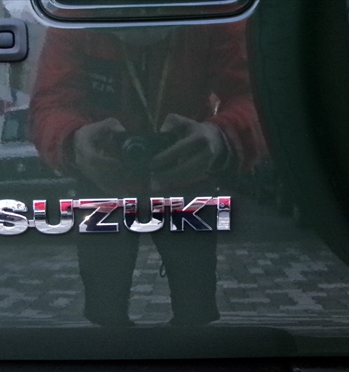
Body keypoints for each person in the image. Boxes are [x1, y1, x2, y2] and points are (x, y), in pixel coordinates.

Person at [30, 21, 267, 327]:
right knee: (127, 308)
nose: (142, 14)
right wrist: (219, 138)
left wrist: (72, 141)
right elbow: (261, 99)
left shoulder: (74, 16)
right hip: (164, 171)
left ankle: (122, 349)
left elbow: (49, 105)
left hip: (119, 174)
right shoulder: (215, 11)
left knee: (180, 305)